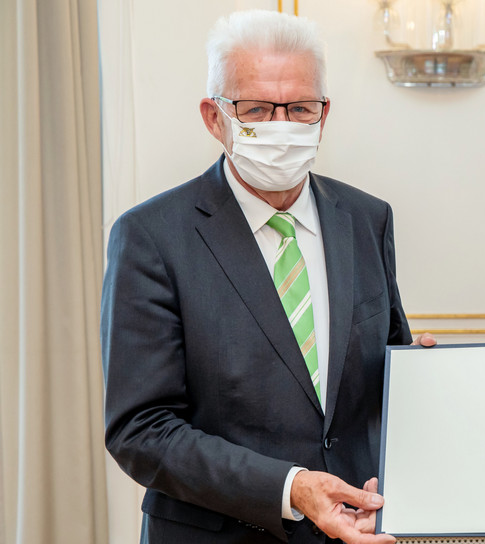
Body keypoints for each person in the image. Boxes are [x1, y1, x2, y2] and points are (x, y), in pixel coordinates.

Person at [101, 10, 433, 543]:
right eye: (257, 109)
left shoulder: (367, 220)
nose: (282, 125)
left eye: (299, 108)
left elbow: (376, 387)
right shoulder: (151, 236)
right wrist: (290, 487)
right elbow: (140, 430)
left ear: (323, 114)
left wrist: (425, 376)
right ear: (215, 117)